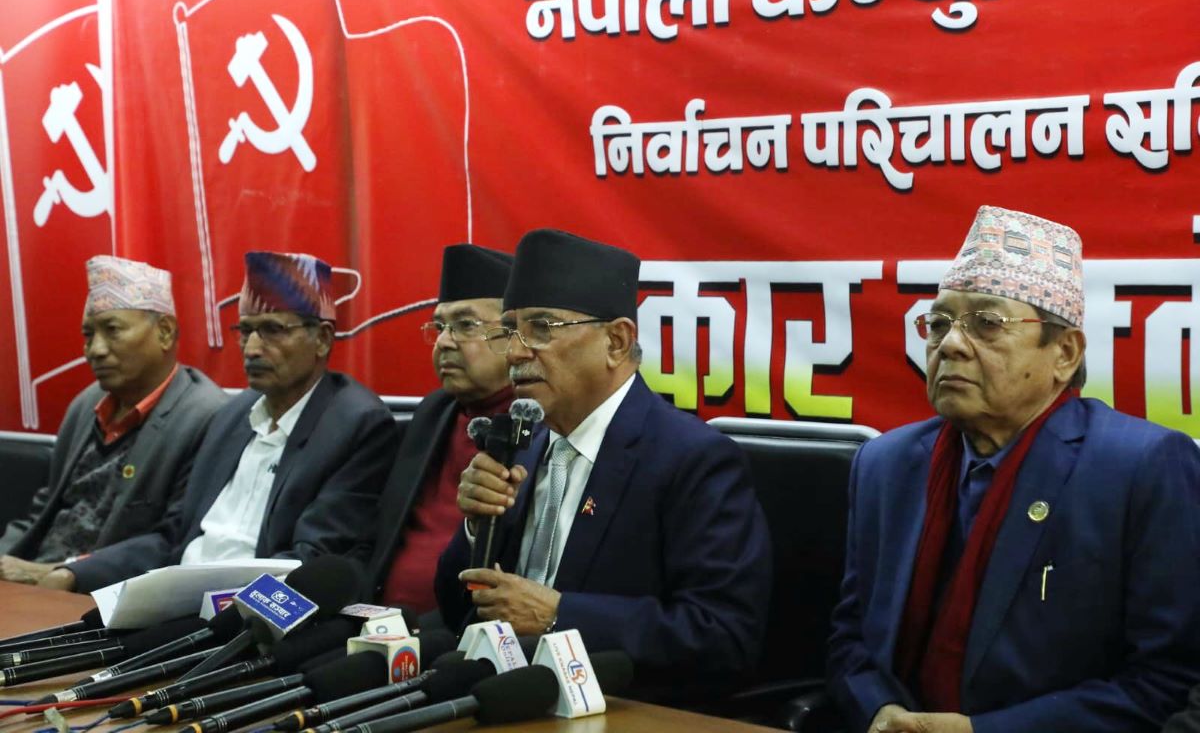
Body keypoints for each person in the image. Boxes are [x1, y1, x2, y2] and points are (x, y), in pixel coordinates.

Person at [827, 206, 1200, 733]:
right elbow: (852, 639)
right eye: (938, 324)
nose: (950, 345)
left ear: (1064, 353)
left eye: (987, 324)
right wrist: (880, 711)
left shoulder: (1141, 468)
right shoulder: (885, 464)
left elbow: (1167, 681)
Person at [435, 228, 771, 698]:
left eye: (541, 329)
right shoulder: (521, 447)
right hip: (508, 697)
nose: (515, 352)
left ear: (616, 341)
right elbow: (459, 610)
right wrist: (476, 528)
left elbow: (724, 634)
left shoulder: (691, 458)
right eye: (509, 331)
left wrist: (558, 616)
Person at [42, 251, 399, 593]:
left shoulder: (354, 424)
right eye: (245, 330)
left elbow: (314, 558)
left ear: (321, 339)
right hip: (177, 596)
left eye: (273, 330)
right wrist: (74, 572)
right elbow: (174, 536)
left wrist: (212, 603)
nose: (252, 348)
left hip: (249, 607)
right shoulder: (232, 416)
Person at [0, 256, 226, 582]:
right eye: (88, 335)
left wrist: (68, 573)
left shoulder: (206, 417)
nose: (96, 349)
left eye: (112, 330)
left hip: (103, 591)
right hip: (33, 578)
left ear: (164, 332)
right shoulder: (87, 403)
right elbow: (45, 510)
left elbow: (174, 539)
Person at [365, 244, 513, 614]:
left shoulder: (541, 426)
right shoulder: (434, 413)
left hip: (467, 629)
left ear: (514, 336)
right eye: (439, 327)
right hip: (378, 619)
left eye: (465, 325)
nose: (444, 342)